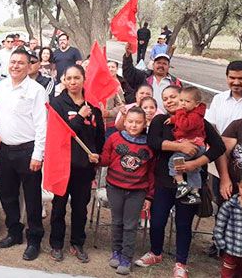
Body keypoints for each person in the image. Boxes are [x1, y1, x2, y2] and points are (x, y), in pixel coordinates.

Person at [135, 85, 226, 278]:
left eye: (174, 97)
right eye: (165, 98)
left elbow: (218, 146)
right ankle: (155, 252)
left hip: (191, 183)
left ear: (183, 98)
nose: (169, 101)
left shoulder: (200, 121)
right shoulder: (162, 120)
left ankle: (181, 263)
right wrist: (181, 146)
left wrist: (197, 163)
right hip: (164, 182)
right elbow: (153, 142)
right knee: (158, 221)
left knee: (184, 224)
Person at [0, 49, 47, 261]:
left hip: (28, 150)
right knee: (7, 195)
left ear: (29, 66)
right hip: (5, 150)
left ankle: (34, 239)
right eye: (12, 62)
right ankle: (14, 232)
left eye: (20, 63)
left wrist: (38, 154)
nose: (15, 66)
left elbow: (42, 125)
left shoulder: (37, 90)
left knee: (31, 198)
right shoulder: (3, 85)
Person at [49, 65, 105, 263]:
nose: (73, 82)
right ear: (64, 80)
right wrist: (80, 116)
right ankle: (56, 244)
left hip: (85, 168)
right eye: (69, 78)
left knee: (81, 208)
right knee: (59, 207)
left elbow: (99, 137)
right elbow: (62, 133)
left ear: (84, 79)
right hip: (63, 166)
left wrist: (97, 155)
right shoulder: (57, 104)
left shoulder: (94, 107)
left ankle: (77, 242)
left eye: (77, 78)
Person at [91, 107, 155, 275]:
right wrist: (96, 158)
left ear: (145, 123)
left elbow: (151, 173)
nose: (134, 125)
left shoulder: (150, 144)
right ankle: (116, 251)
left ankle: (127, 257)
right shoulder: (114, 138)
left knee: (130, 225)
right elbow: (105, 159)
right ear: (125, 122)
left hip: (137, 191)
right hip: (115, 187)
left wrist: (149, 195)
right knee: (117, 221)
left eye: (138, 122)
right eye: (131, 121)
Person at [165, 87, 207, 205]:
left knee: (174, 161)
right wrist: (173, 119)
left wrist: (179, 112)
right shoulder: (191, 113)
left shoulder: (196, 115)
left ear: (196, 104)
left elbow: (184, 125)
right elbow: (181, 120)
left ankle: (181, 184)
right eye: (182, 100)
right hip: (196, 144)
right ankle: (194, 191)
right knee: (193, 170)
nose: (183, 104)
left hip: (194, 145)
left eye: (187, 102)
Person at [122, 42, 181, 112]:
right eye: (158, 63)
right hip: (144, 117)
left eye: (164, 63)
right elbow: (129, 72)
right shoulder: (143, 77)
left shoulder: (175, 82)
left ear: (168, 67)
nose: (161, 66)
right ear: (153, 65)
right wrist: (128, 55)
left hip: (167, 120)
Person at [206, 61, 242, 134]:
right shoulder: (218, 99)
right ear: (227, 77)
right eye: (232, 78)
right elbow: (210, 126)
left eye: (241, 78)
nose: (236, 82)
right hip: (220, 144)